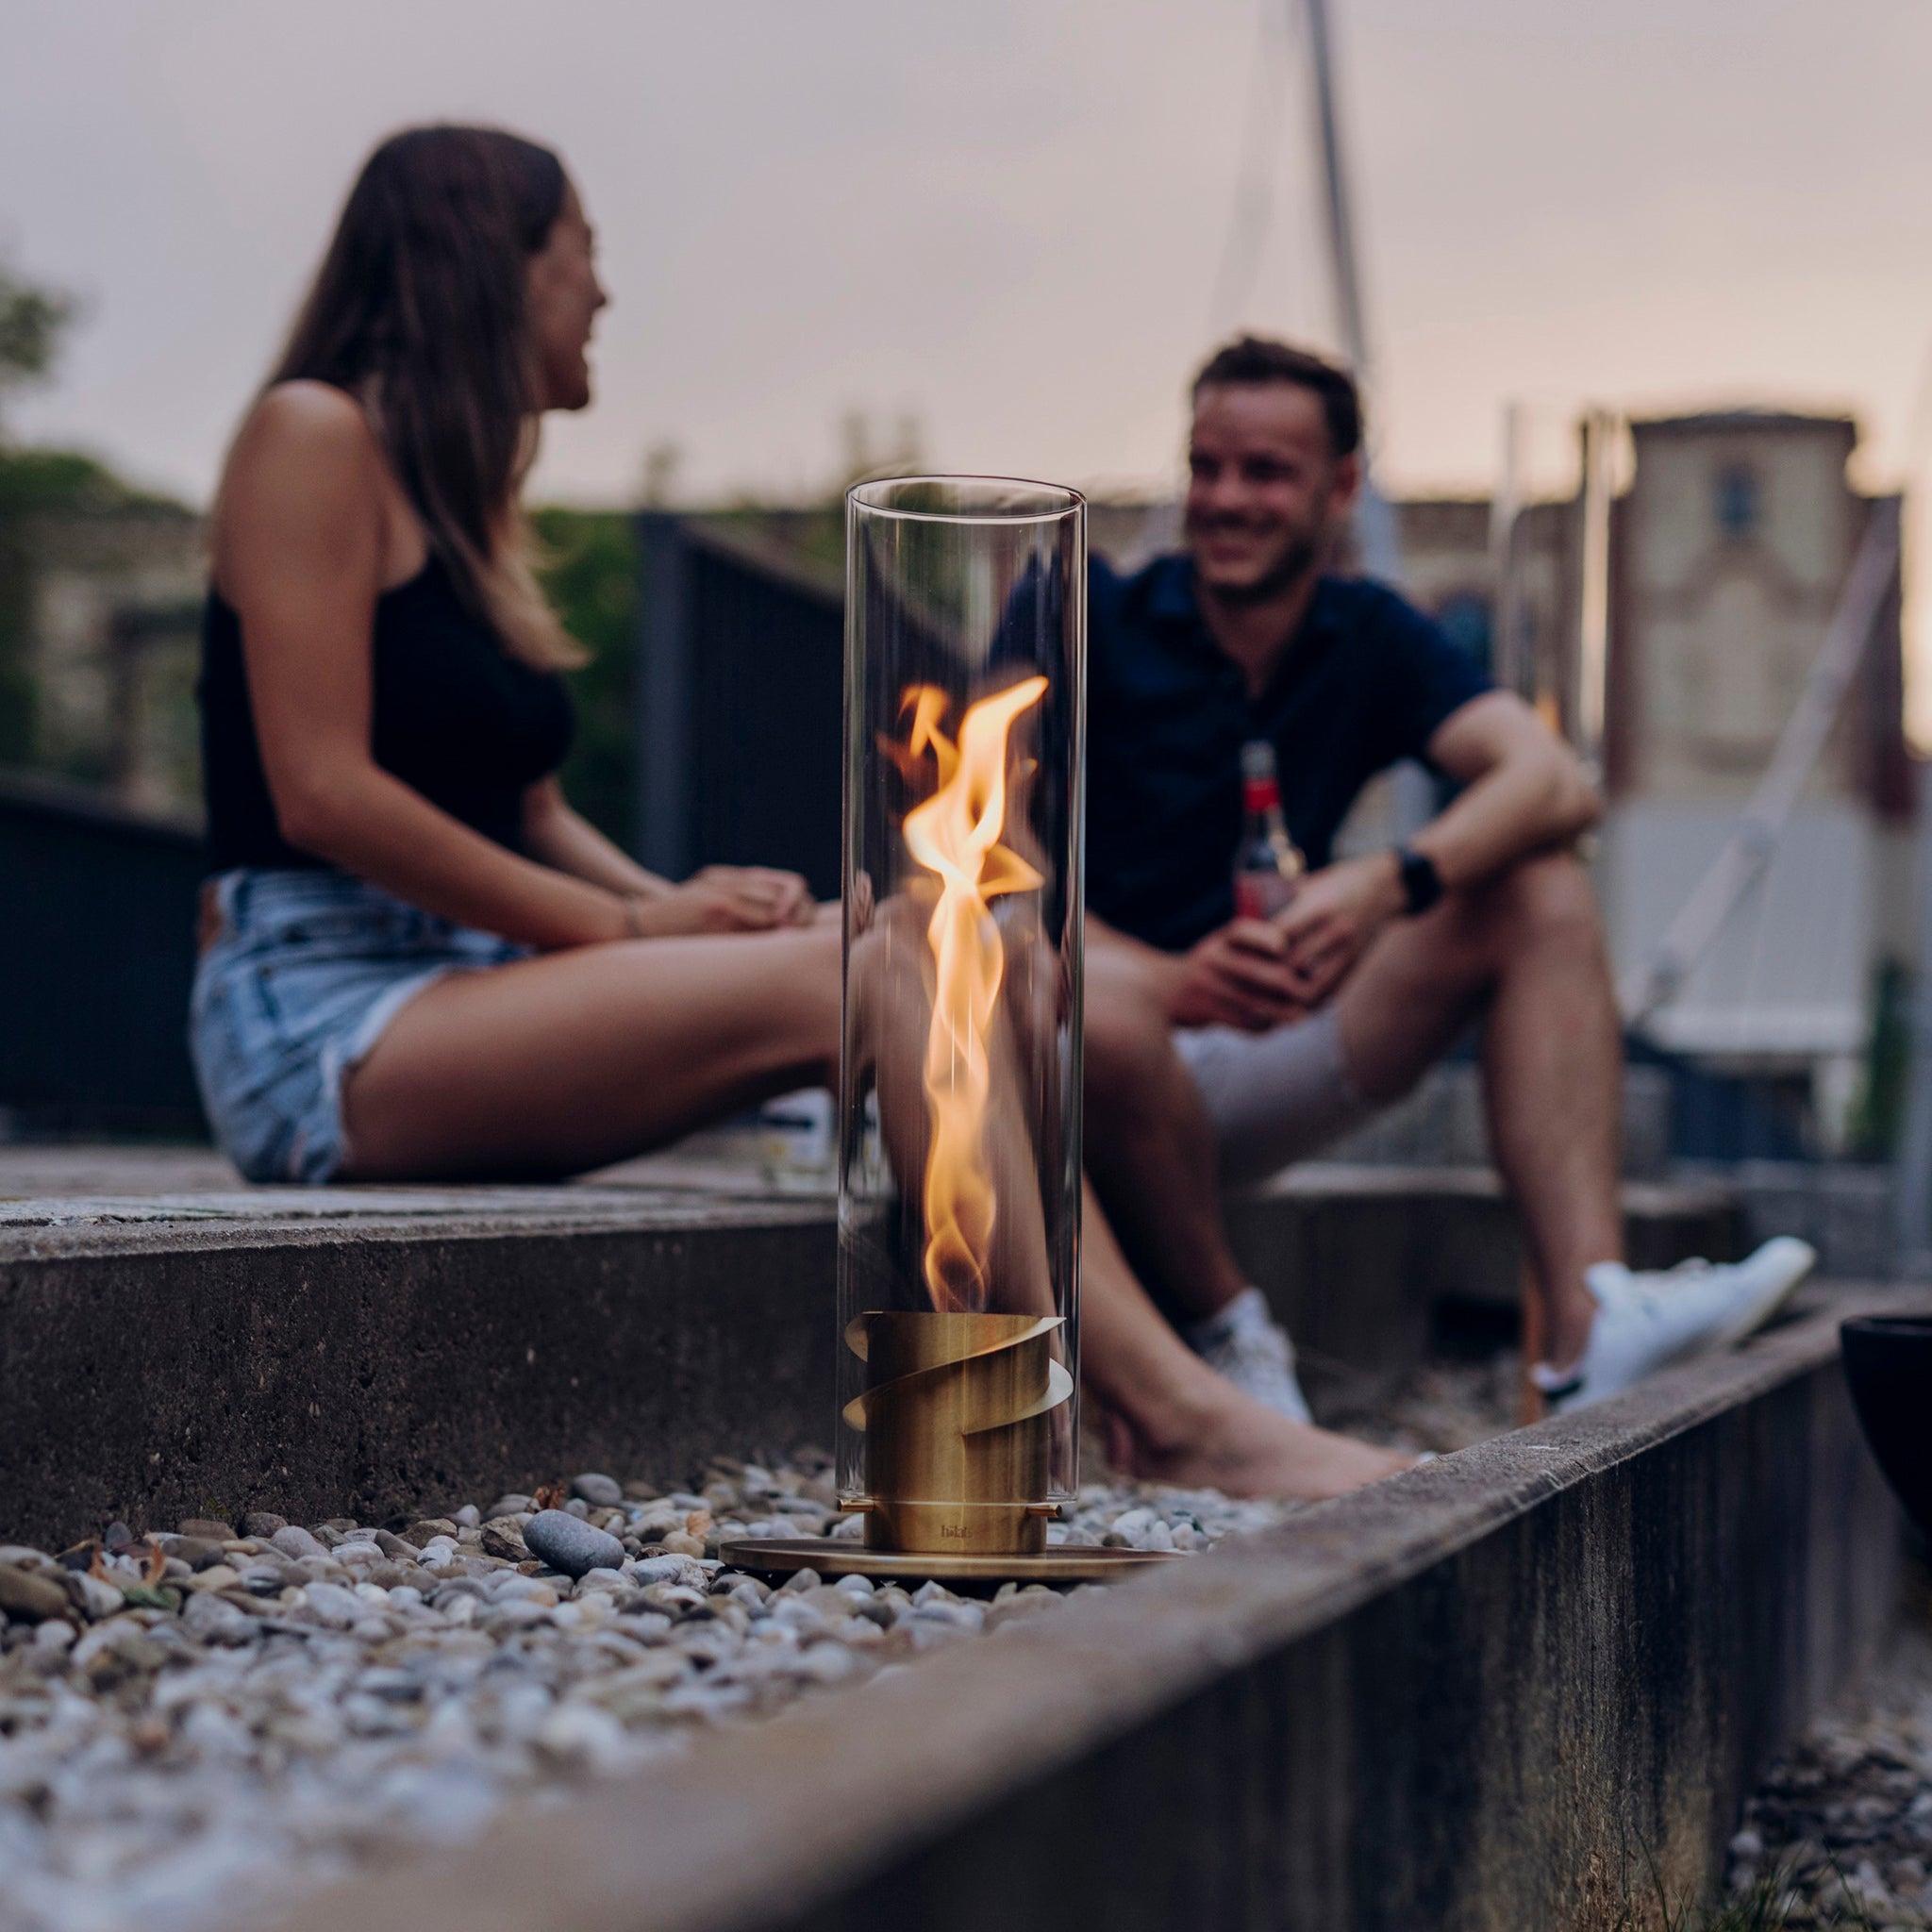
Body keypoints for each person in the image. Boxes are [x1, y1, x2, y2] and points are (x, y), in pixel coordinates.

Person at [190, 127, 1407, 1498]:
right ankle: (1182, 1417)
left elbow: (523, 805)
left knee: (962, 933)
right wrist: (636, 923)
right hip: (320, 1017)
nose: (601, 294)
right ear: (498, 268)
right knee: (895, 964)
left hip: (472, 979)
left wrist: (675, 910)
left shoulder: (456, 504)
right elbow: (325, 792)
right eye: (582, 254)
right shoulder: (311, 434)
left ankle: (979, 1437)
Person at [1081, 335, 1815, 1417]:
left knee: (1537, 886)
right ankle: (1228, 1336)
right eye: (1206, 466)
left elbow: (1552, 782)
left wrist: (1384, 883)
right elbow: (974, 864)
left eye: (1265, 471)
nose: (1225, 498)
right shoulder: (1089, 611)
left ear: (1339, 489)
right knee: (1066, 997)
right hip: (1093, 1051)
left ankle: (1590, 1316)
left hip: (1253, 1049)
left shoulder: (1367, 631)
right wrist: (1161, 978)